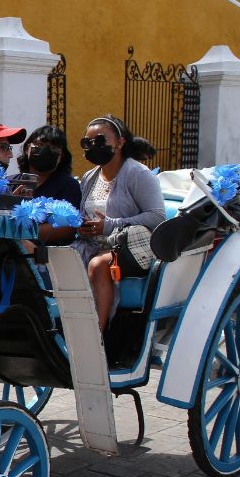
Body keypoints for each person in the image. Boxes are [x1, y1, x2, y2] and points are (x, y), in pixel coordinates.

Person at [72, 115, 165, 331]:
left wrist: (111, 225)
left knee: (98, 265)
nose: (93, 147)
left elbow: (157, 217)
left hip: (128, 247)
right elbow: (83, 213)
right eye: (87, 143)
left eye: (100, 141)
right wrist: (82, 226)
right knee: (60, 260)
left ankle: (97, 334)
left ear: (120, 142)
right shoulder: (89, 177)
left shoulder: (138, 174)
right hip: (92, 244)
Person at [15, 124, 81, 245]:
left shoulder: (68, 185)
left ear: (61, 157)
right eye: (39, 145)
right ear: (27, 148)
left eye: (53, 148)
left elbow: (67, 227)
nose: (45, 150)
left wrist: (18, 234)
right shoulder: (12, 182)